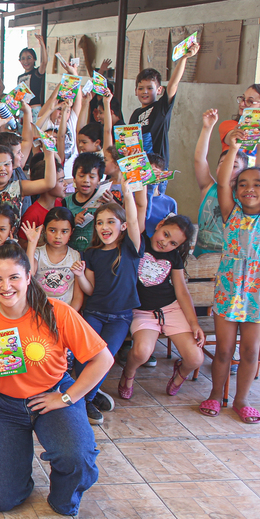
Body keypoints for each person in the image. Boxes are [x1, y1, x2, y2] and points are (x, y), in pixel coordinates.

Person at [0, 242, 111, 516]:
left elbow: (104, 359)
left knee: (77, 457)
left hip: (52, 393)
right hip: (4, 405)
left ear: (29, 277)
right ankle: (19, 463)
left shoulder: (58, 311)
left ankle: (63, 494)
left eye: (14, 277)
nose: (6, 286)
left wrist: (67, 397)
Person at [205, 129, 260, 422]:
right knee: (223, 351)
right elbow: (222, 184)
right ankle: (216, 395)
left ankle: (241, 400)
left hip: (256, 293)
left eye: (257, 184)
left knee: (251, 352)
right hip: (227, 291)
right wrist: (233, 148)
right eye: (242, 184)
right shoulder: (231, 212)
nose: (249, 188)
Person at [72, 181, 143, 425]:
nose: (104, 227)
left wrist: (127, 191)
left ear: (122, 227)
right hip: (95, 313)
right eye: (100, 222)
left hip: (121, 317)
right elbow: (90, 289)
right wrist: (80, 275)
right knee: (85, 356)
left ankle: (83, 399)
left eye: (111, 222)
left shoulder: (130, 249)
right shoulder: (90, 254)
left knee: (107, 357)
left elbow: (134, 220)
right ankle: (85, 398)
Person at [118, 215, 204, 399]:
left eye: (173, 243)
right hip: (142, 311)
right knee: (141, 352)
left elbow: (181, 291)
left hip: (170, 309)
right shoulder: (139, 244)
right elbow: (137, 214)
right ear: (159, 225)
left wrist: (194, 323)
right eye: (165, 234)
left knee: (196, 358)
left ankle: (180, 373)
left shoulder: (173, 257)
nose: (165, 243)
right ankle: (128, 373)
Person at [128, 40, 199, 168]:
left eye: (150, 88)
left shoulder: (161, 108)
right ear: (135, 91)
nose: (144, 92)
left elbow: (173, 84)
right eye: (140, 88)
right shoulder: (135, 114)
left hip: (157, 169)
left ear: (159, 90)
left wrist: (183, 58)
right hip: (138, 167)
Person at [22, 207, 83, 311]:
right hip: (39, 311)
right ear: (44, 230)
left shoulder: (75, 256)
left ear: (71, 232)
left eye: (64, 231)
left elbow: (78, 296)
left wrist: (70, 315)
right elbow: (29, 274)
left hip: (65, 313)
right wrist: (32, 243)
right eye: (52, 230)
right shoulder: (38, 253)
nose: (58, 236)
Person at [17, 36, 47, 103]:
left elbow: (44, 62)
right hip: (23, 110)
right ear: (20, 61)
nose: (26, 61)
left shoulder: (37, 73)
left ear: (34, 59)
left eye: (29, 57)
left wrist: (42, 44)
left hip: (36, 109)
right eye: (23, 58)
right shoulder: (20, 77)